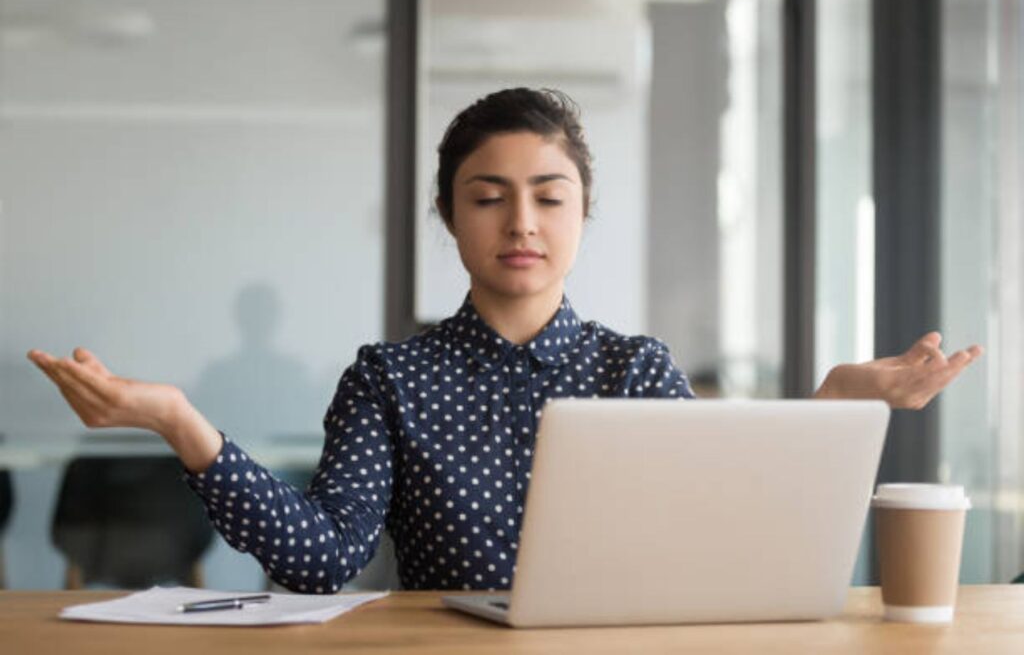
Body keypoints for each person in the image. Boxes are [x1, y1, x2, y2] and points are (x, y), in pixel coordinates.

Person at [27, 88, 983, 593]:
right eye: (488, 197)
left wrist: (831, 408)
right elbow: (319, 557)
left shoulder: (633, 368)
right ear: (449, 217)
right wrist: (179, 420)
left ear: (582, 214)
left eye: (548, 196)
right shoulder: (391, 378)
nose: (520, 221)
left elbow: (722, 535)